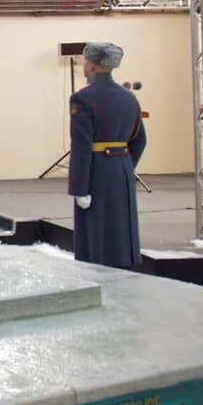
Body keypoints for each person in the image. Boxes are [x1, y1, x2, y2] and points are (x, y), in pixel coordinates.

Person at [69, 41, 147, 268]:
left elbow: (82, 146)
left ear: (92, 65)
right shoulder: (129, 97)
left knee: (96, 233)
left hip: (97, 170)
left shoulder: (82, 98)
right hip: (121, 167)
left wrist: (79, 187)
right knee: (122, 229)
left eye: (85, 61)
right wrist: (124, 167)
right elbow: (140, 140)